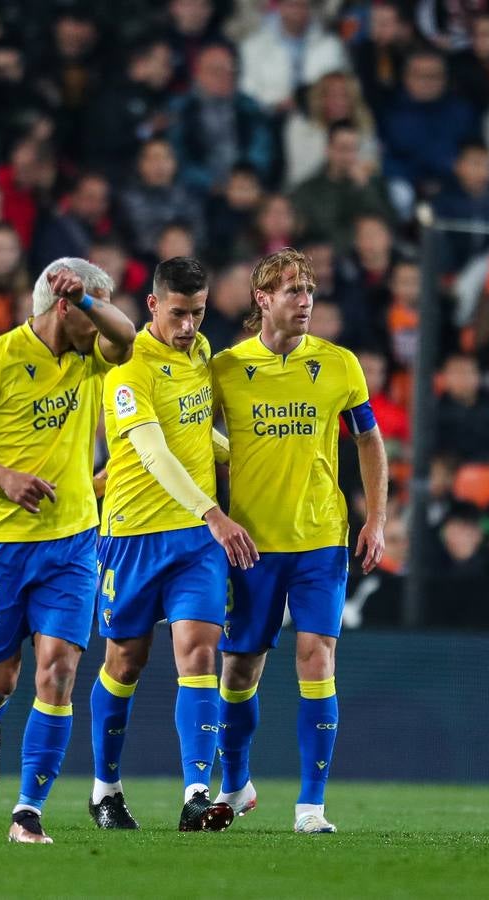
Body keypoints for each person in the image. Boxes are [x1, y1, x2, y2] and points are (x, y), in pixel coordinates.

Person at [0, 258, 136, 844]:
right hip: (0, 545)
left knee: (59, 670)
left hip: (72, 543)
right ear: (62, 308)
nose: (101, 319)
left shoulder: (92, 355)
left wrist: (91, 302)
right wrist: (1, 476)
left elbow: (127, 336)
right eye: (91, 307)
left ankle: (28, 812)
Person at [210, 248, 387, 834]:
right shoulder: (227, 369)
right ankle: (236, 785)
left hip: (320, 538)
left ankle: (311, 807)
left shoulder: (339, 364)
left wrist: (377, 518)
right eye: (292, 290)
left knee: (317, 656)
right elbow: (192, 436)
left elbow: (368, 440)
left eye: (309, 289)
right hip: (251, 544)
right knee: (240, 671)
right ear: (262, 299)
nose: (305, 300)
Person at [87, 257, 255, 833]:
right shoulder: (128, 369)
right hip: (133, 535)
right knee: (125, 662)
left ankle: (196, 794)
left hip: (195, 541)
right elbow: (155, 453)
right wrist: (216, 512)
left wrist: (250, 455)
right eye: (179, 314)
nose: (189, 326)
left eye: (199, 313)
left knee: (200, 653)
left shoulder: (202, 352)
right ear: (153, 305)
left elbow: (196, 434)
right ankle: (106, 790)